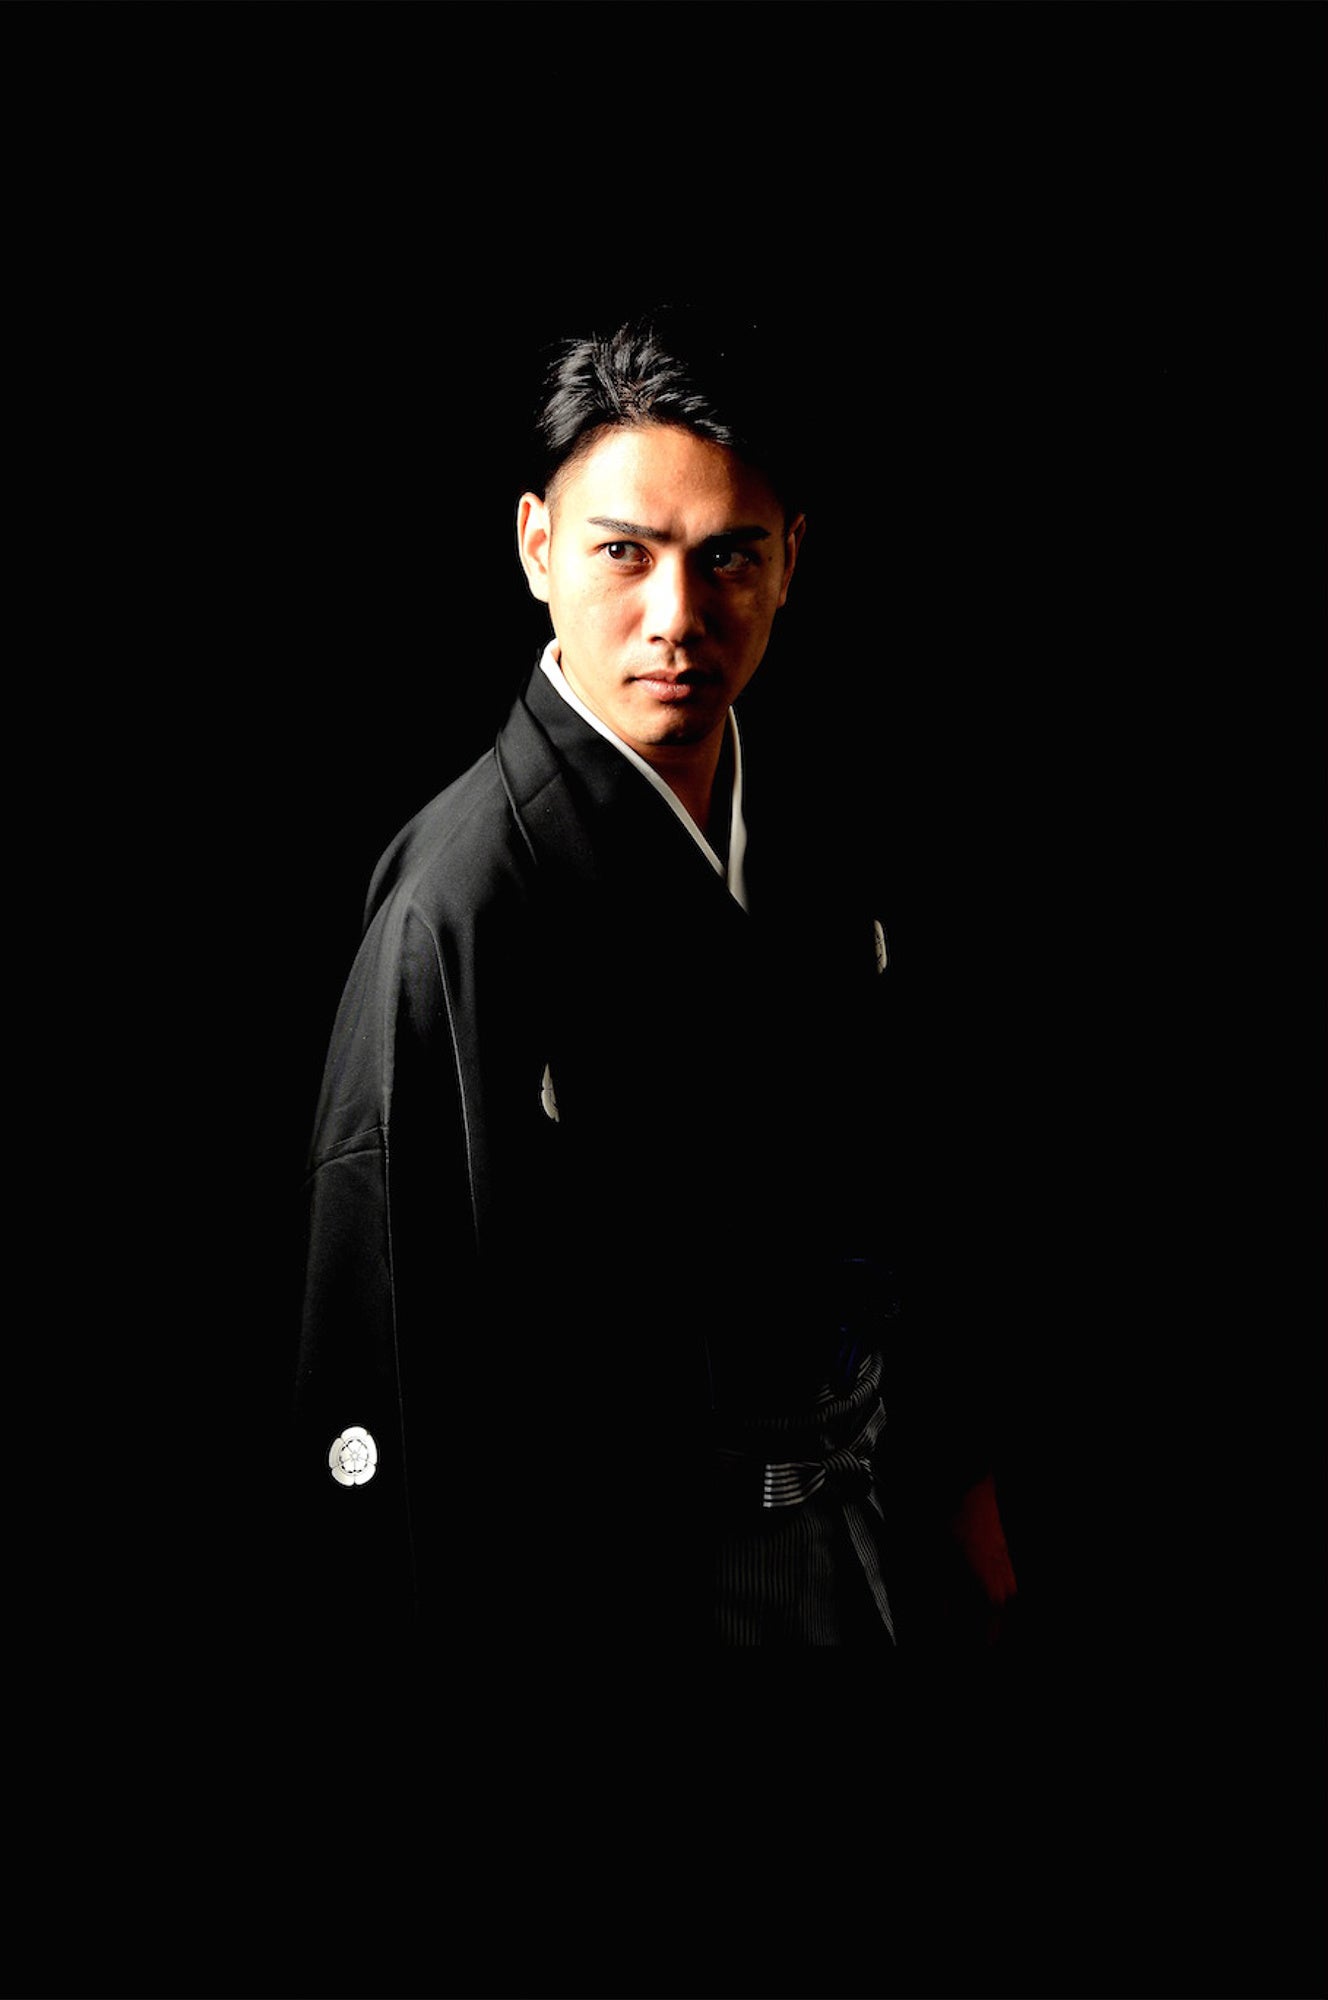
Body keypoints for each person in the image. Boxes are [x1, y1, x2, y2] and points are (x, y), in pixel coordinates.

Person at [289, 304, 1017, 1651]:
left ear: (791, 563)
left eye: (729, 556)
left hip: (850, 1535)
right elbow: (380, 1342)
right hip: (605, 1594)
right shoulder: (460, 902)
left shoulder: (818, 850)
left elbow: (912, 1199)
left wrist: (959, 1492)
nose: (678, 619)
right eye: (624, 553)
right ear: (537, 547)